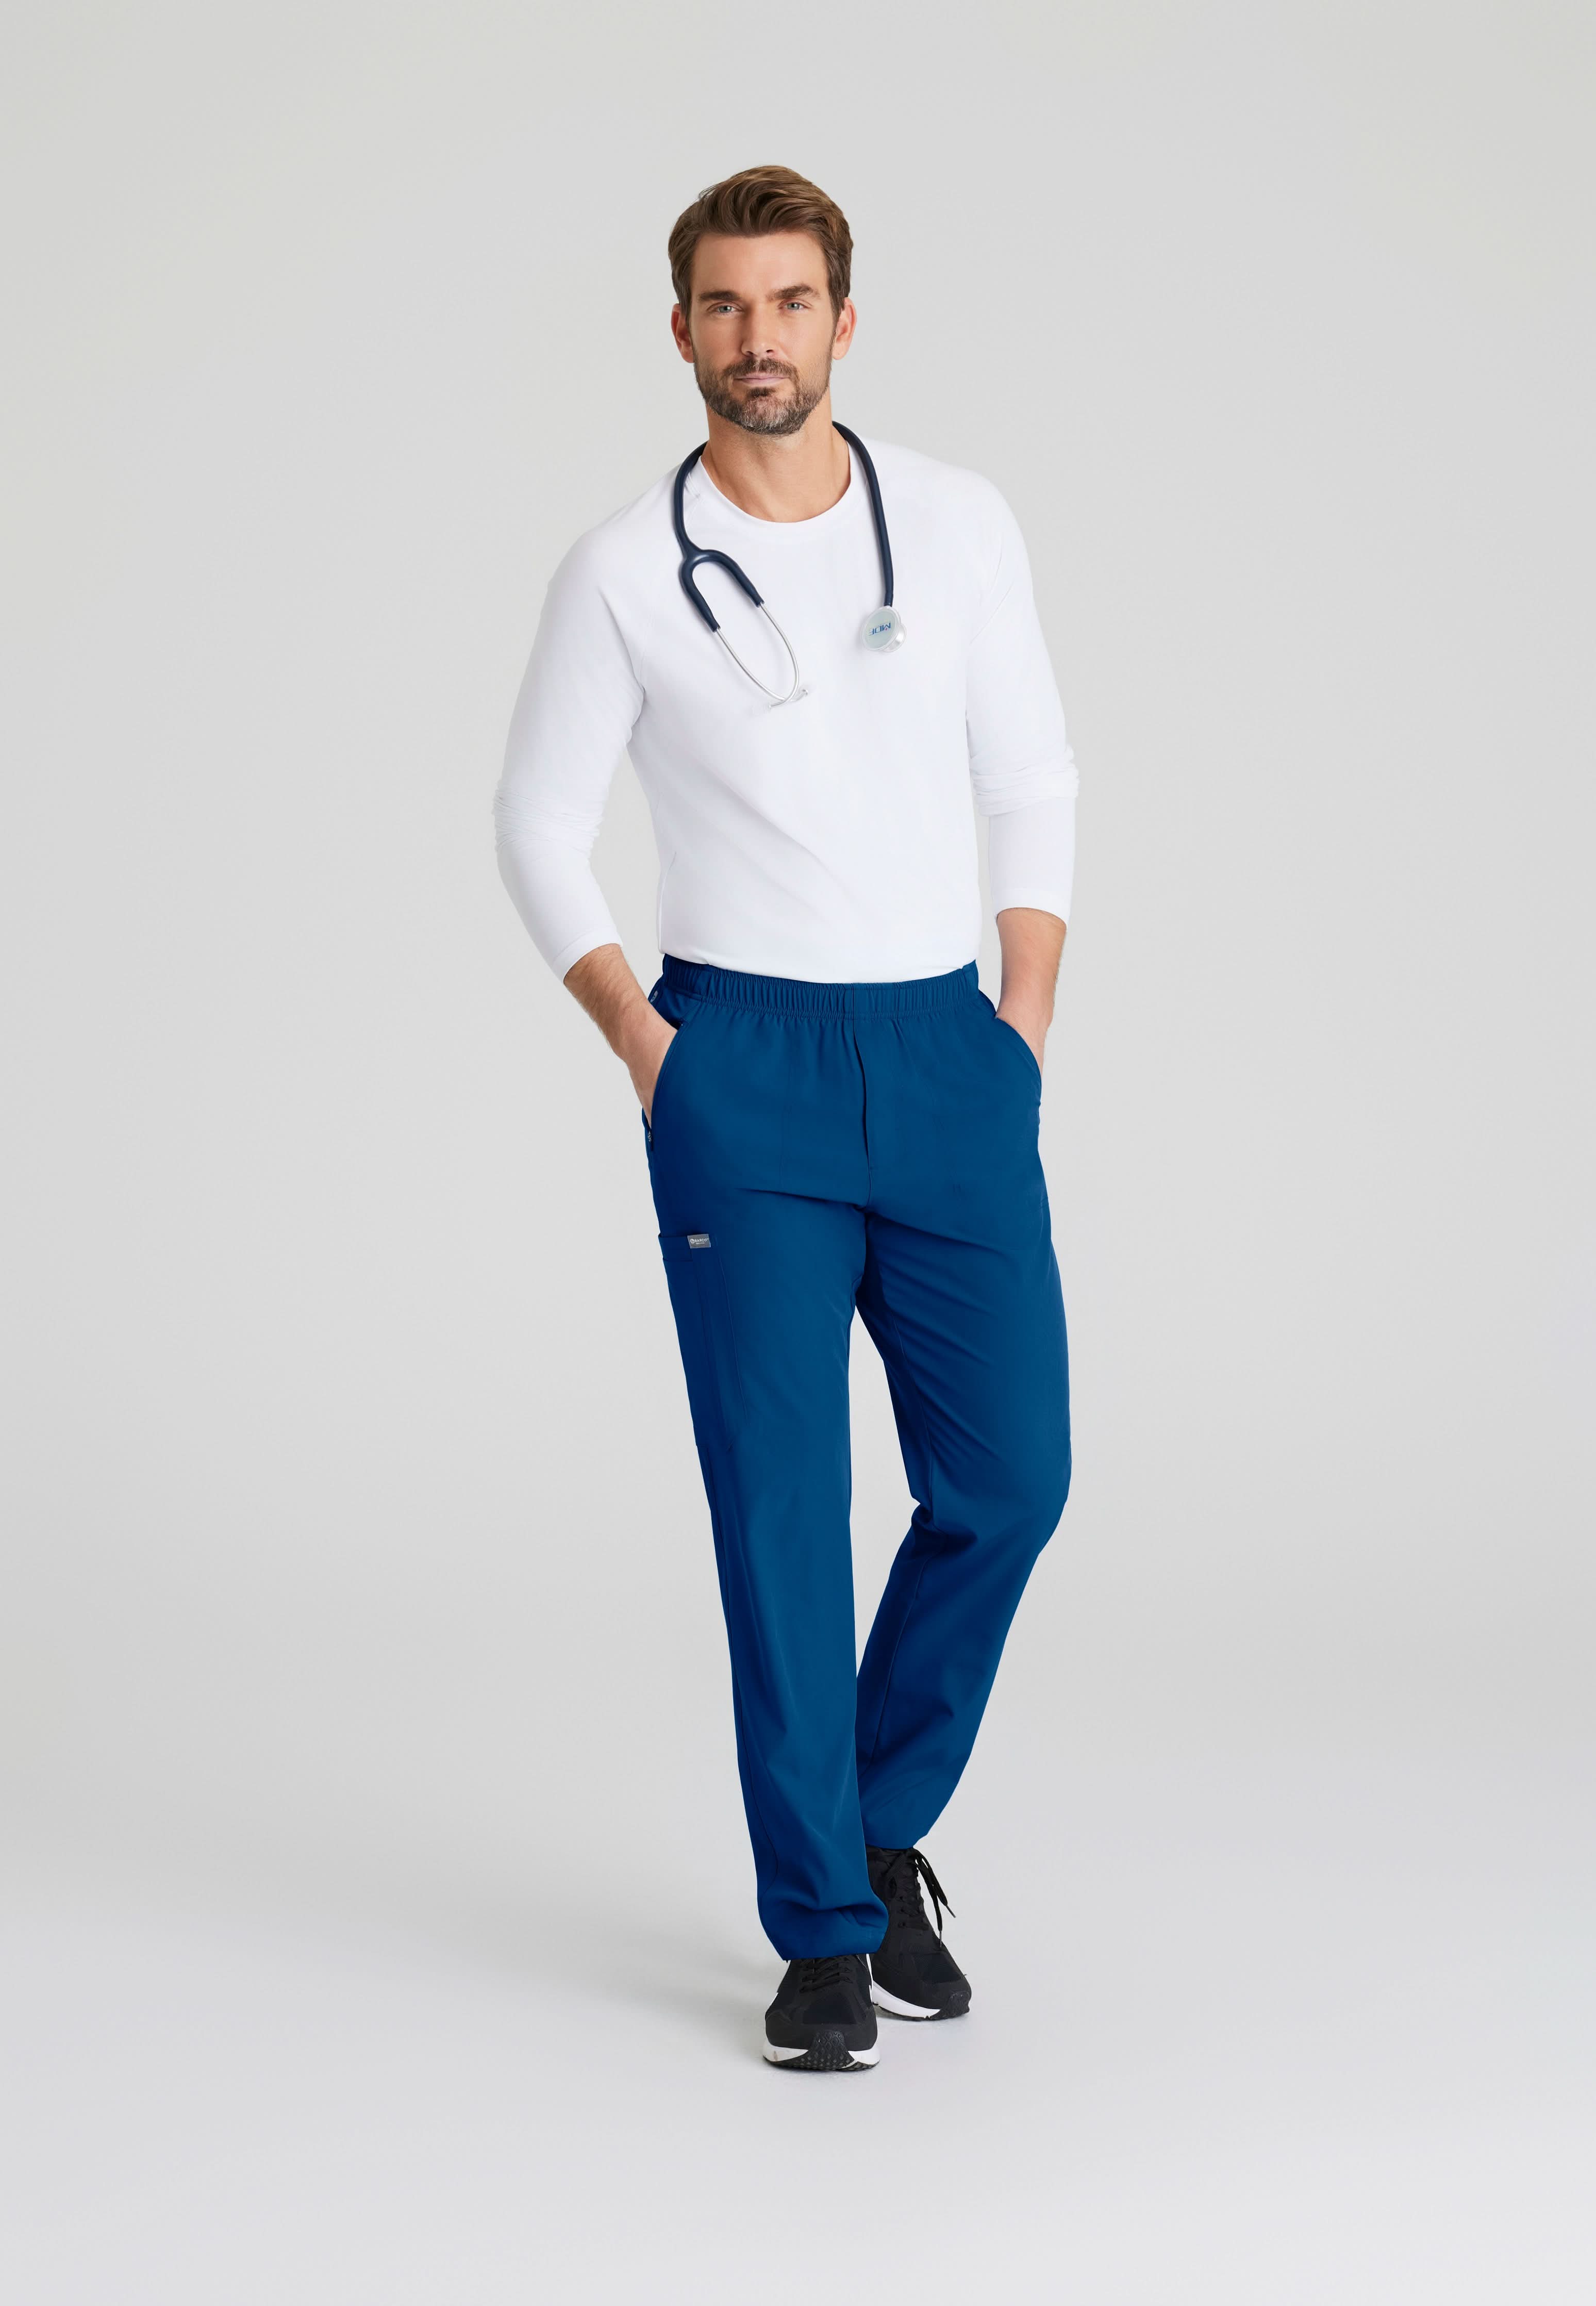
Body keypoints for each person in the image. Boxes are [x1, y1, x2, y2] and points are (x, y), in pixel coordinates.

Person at [494, 164, 1076, 2073]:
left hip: (946, 1052)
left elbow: (1034, 778)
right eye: (728, 306)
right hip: (737, 1057)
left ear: (846, 317)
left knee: (1011, 1479)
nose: (762, 338)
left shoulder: (959, 525)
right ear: (681, 330)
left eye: (794, 300)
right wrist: (651, 1047)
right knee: (781, 1513)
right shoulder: (621, 571)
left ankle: (879, 1828)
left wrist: (1020, 1026)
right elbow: (536, 828)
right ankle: (822, 1929)